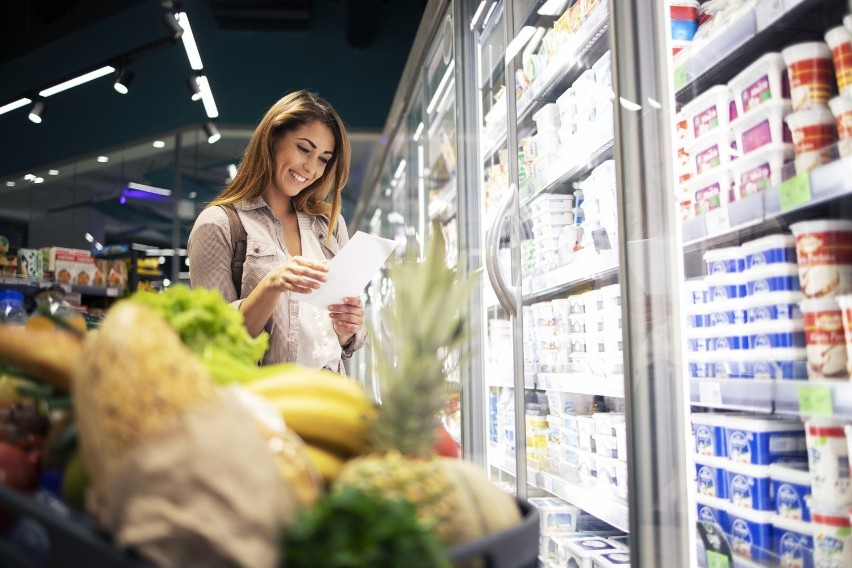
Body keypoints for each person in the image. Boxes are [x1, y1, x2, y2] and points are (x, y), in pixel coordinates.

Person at [188, 90, 366, 373]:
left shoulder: (330, 225)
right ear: (272, 138)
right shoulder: (219, 224)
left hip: (332, 399)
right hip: (267, 406)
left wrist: (347, 329)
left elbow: (340, 347)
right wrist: (272, 285)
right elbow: (215, 343)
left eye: (323, 158)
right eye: (304, 149)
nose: (311, 168)